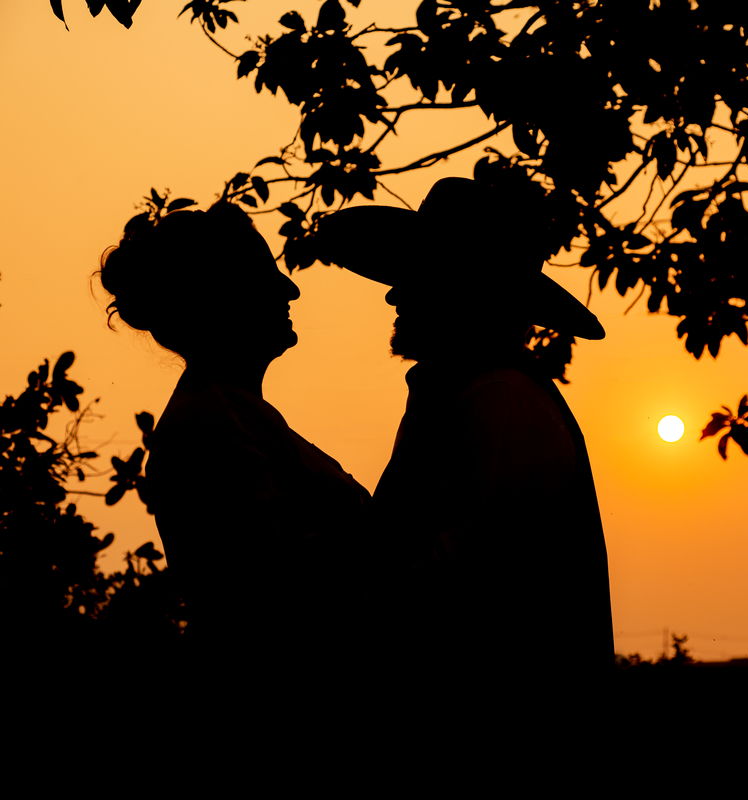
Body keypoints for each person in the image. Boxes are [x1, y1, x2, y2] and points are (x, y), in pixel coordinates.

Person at [319, 177, 614, 676]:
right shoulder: (466, 394)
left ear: (468, 292)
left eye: (420, 275)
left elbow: (462, 585)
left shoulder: (500, 399)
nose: (394, 295)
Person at [98, 202, 372, 660]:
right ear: (219, 297)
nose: (290, 289)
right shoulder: (213, 423)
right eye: (265, 274)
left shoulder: (232, 414)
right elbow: (277, 593)